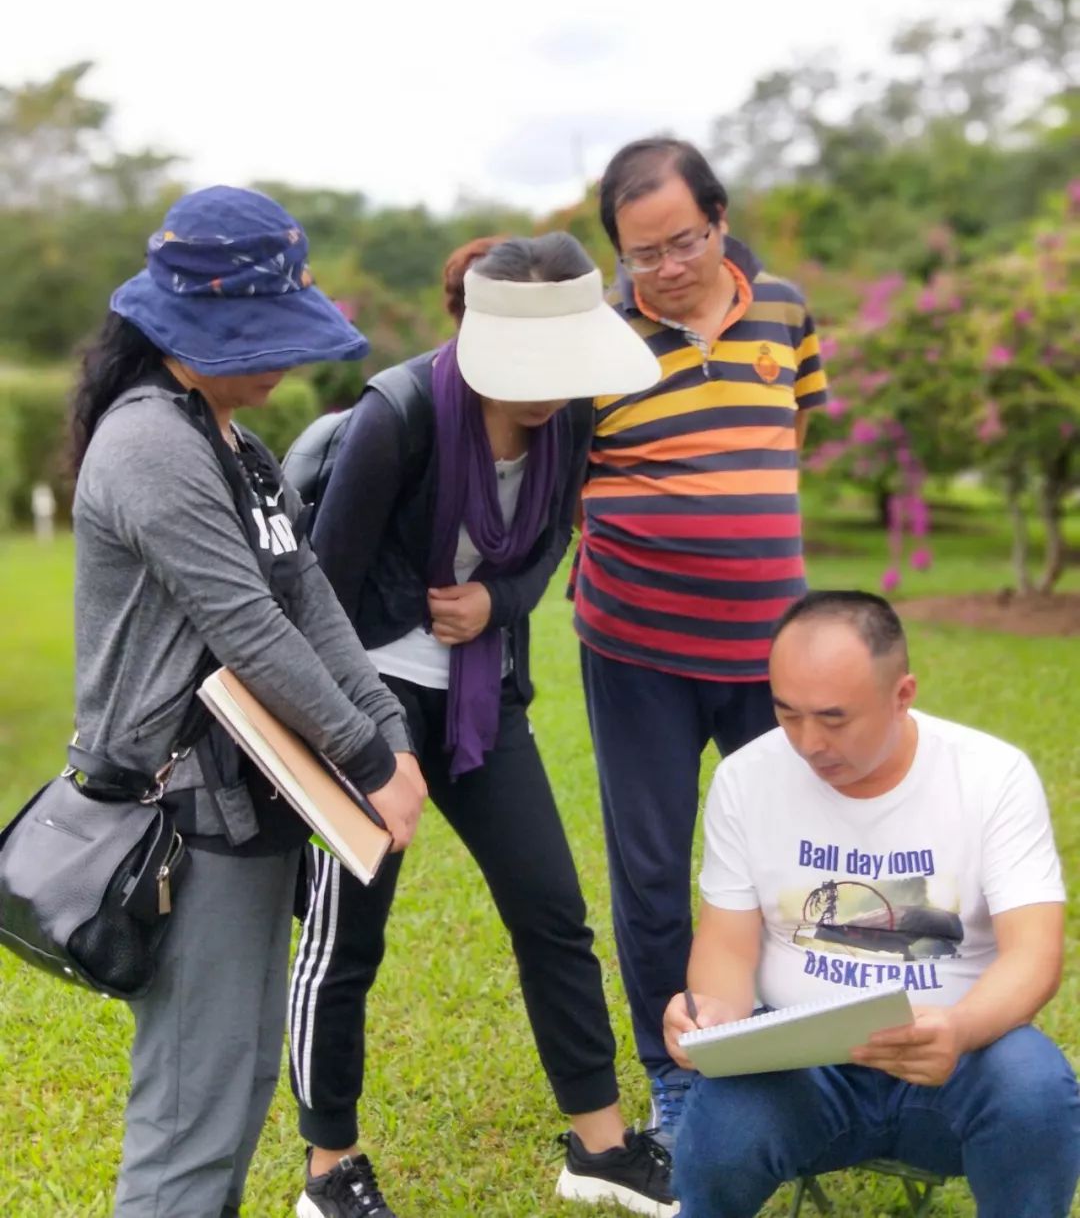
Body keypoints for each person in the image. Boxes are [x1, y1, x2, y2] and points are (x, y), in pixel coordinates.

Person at [287, 233, 676, 1218]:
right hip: (367, 696)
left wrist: (497, 601)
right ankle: (329, 1167)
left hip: (480, 692)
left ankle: (601, 1149)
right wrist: (360, 739)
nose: (547, 392)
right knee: (346, 938)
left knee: (552, 911)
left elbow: (553, 539)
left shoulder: (570, 417)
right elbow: (321, 593)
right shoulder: (399, 414)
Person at [69, 186, 426, 1218]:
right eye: (262, 334)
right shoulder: (151, 445)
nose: (285, 360)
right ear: (191, 327)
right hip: (181, 817)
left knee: (234, 1084)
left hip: (247, 802)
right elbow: (249, 628)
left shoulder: (235, 444)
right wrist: (367, 760)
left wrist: (389, 731)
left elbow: (308, 596)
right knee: (191, 1118)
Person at [662, 590, 1080, 1218]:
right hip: (803, 1065)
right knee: (720, 1133)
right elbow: (727, 944)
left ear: (901, 695)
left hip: (959, 1057)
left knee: (1034, 1091)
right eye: (787, 713)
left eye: (835, 719)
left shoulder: (990, 776)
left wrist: (960, 1030)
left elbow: (1034, 955)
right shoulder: (747, 779)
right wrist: (713, 1015)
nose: (809, 742)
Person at [572, 136, 829, 1141]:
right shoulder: (597, 343)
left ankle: (799, 1044)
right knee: (651, 868)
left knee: (797, 854)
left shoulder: (786, 312)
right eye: (642, 253)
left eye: (682, 241)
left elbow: (790, 438)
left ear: (719, 220)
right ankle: (674, 1070)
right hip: (637, 650)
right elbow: (558, 484)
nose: (667, 267)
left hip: (773, 651)